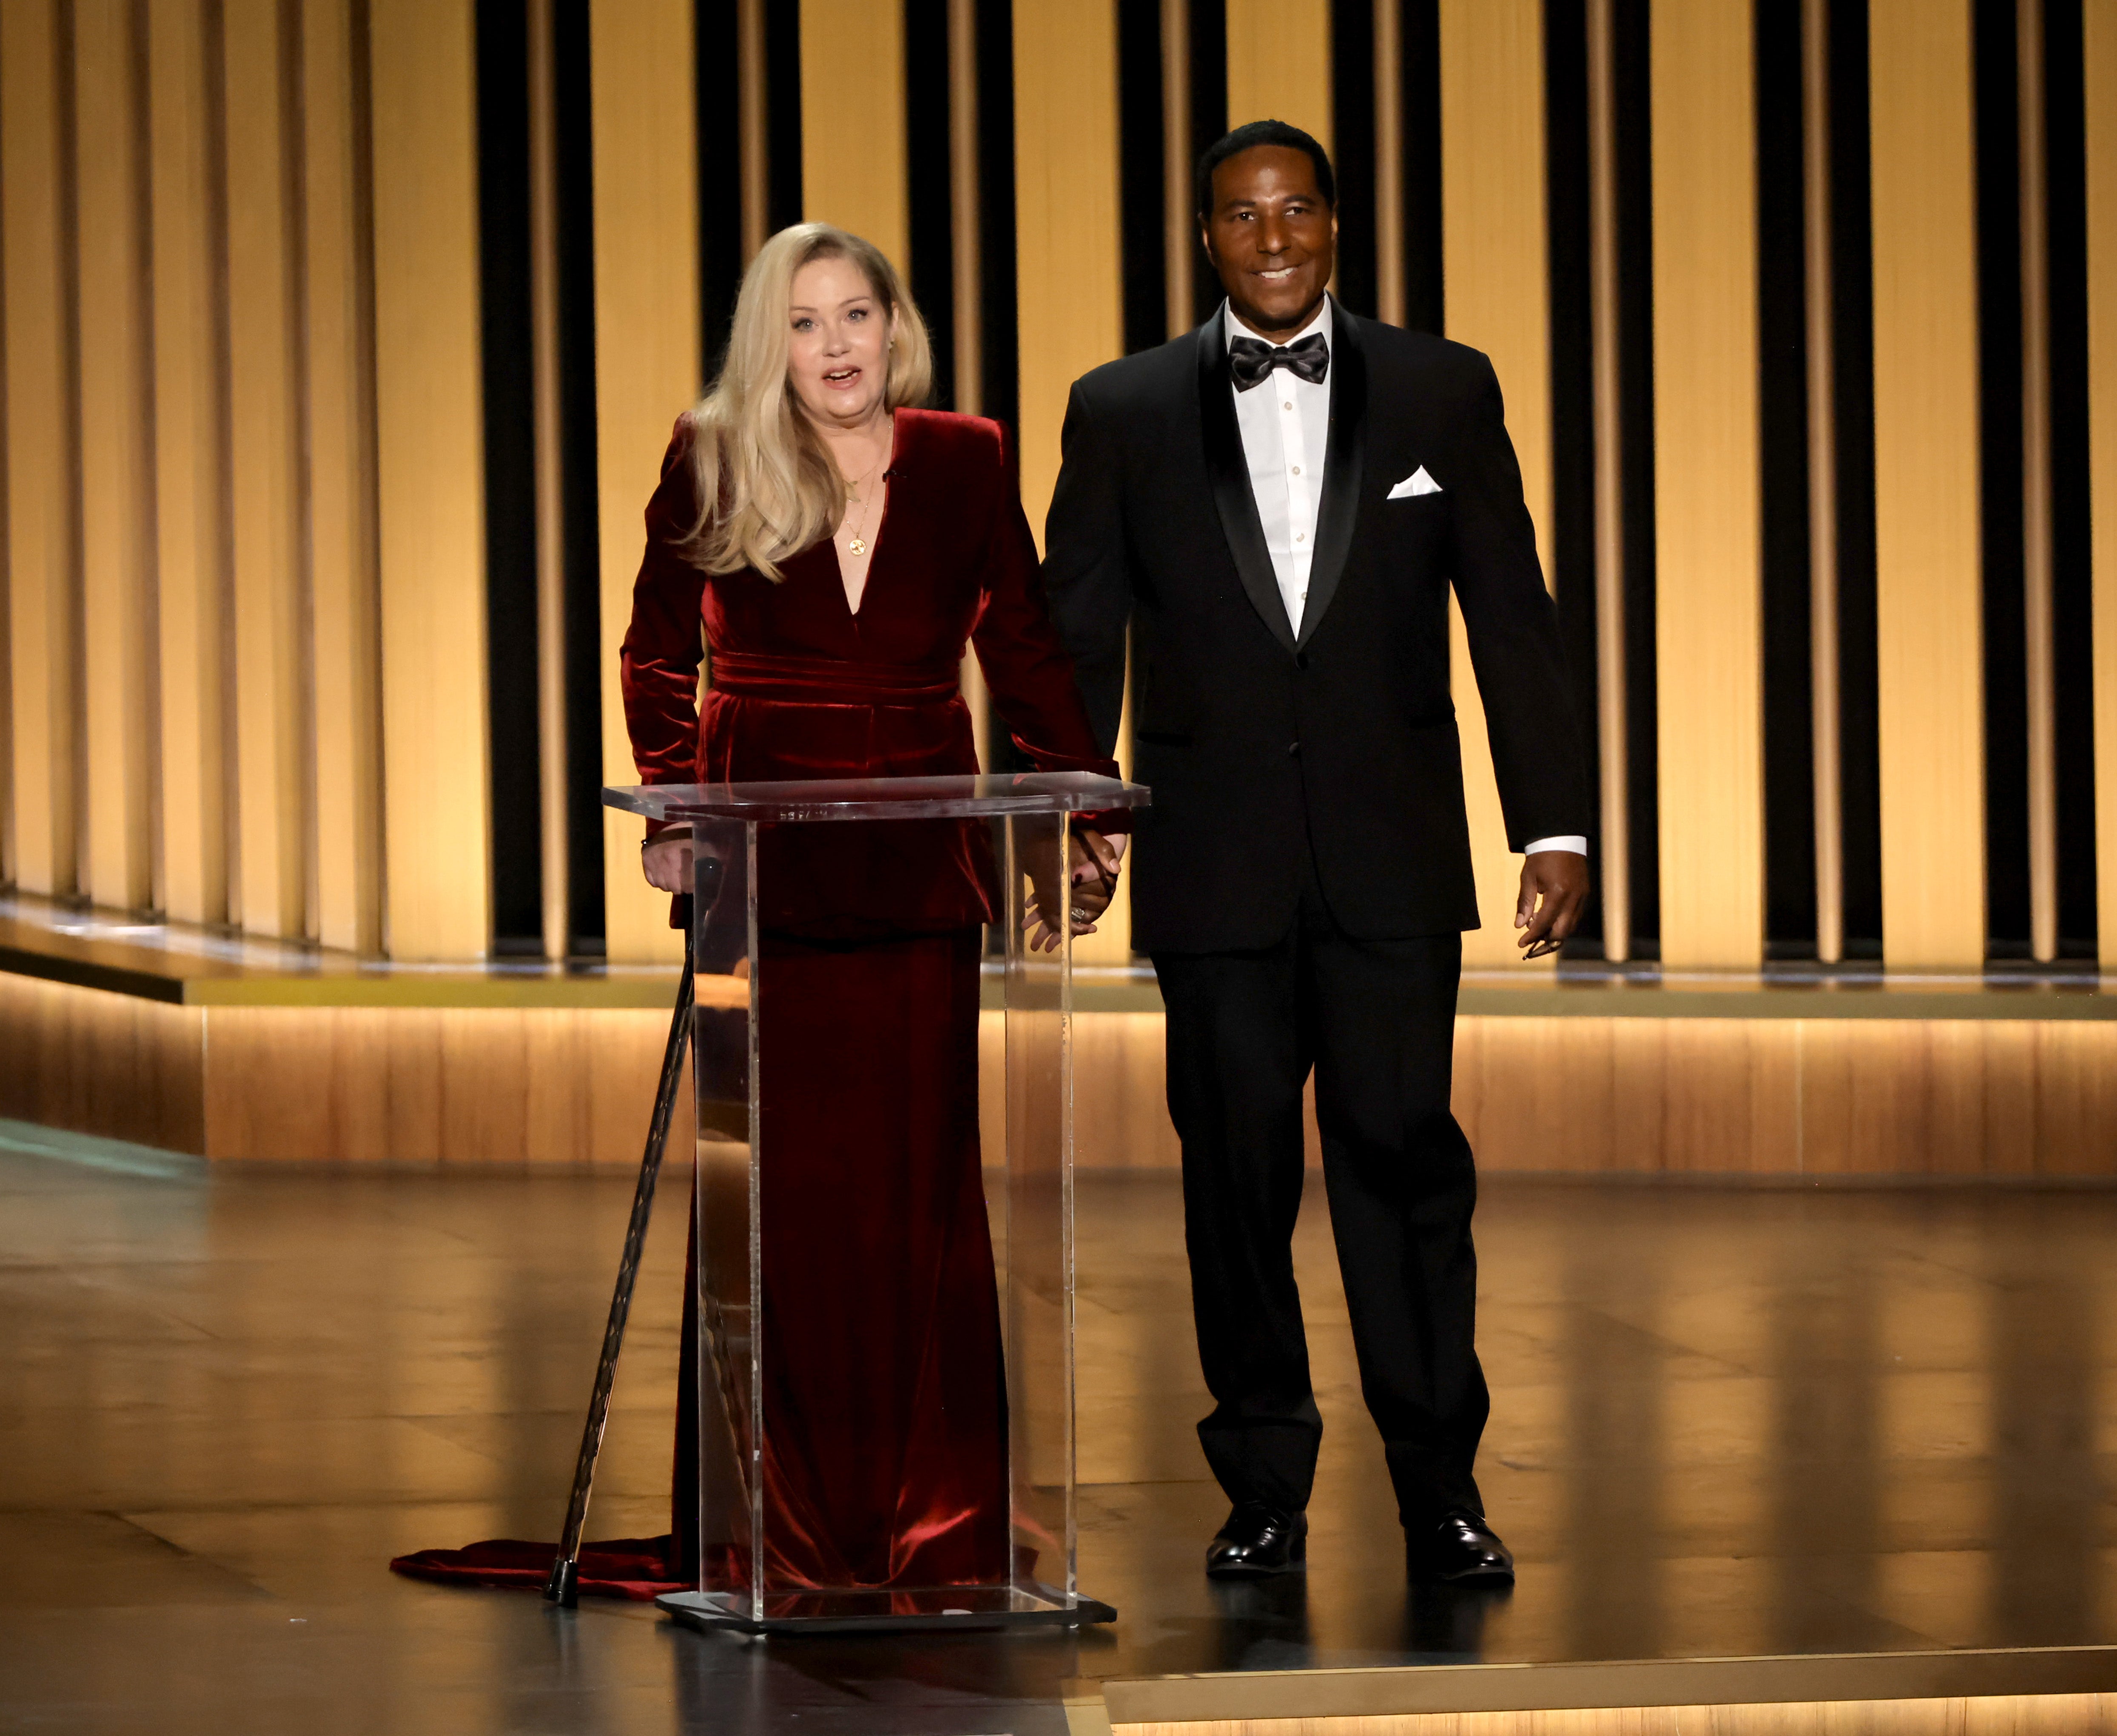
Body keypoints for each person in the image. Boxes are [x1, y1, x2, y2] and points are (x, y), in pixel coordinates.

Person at [393, 222, 1120, 1601]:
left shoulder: (965, 456)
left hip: (919, 863)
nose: (836, 347)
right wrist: (677, 810)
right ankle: (767, 1523)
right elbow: (656, 651)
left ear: (893, 327)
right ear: (765, 342)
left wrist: (1078, 807)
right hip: (763, 869)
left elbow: (1019, 641)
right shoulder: (714, 450)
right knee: (779, 1194)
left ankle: (930, 1518)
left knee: (915, 1194)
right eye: (804, 324)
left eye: (856, 316)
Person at [1040, 121, 1591, 1586]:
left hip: (1393, 862)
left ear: (1337, 226)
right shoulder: (1123, 407)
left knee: (1407, 1169)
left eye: (1295, 211)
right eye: (1240, 215)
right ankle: (1264, 1485)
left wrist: (1554, 819)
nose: (1271, 238)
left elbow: (1512, 620)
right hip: (1210, 864)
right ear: (1204, 238)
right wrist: (1073, 820)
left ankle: (1439, 1490)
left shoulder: (1443, 386)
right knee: (1232, 1179)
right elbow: (1072, 642)